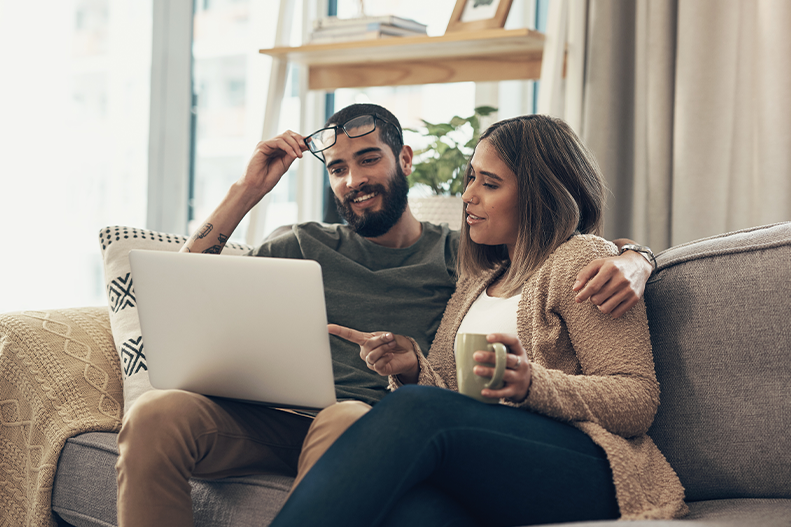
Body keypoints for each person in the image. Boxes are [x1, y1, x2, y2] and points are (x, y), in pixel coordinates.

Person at [115, 104, 655, 527]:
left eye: (368, 159)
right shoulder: (475, 276)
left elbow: (587, 258)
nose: (353, 181)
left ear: (405, 160)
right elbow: (181, 294)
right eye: (337, 169)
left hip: (400, 427)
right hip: (295, 421)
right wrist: (413, 367)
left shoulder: (477, 257)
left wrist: (638, 257)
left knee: (363, 416)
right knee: (156, 413)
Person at [269, 115, 687, 527]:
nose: (468, 195)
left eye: (489, 184)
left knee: (413, 409)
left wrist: (531, 383)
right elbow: (456, 401)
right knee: (408, 512)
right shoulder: (476, 281)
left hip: (587, 467)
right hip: (499, 466)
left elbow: (637, 399)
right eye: (471, 178)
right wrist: (414, 369)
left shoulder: (580, 261)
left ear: (539, 194)